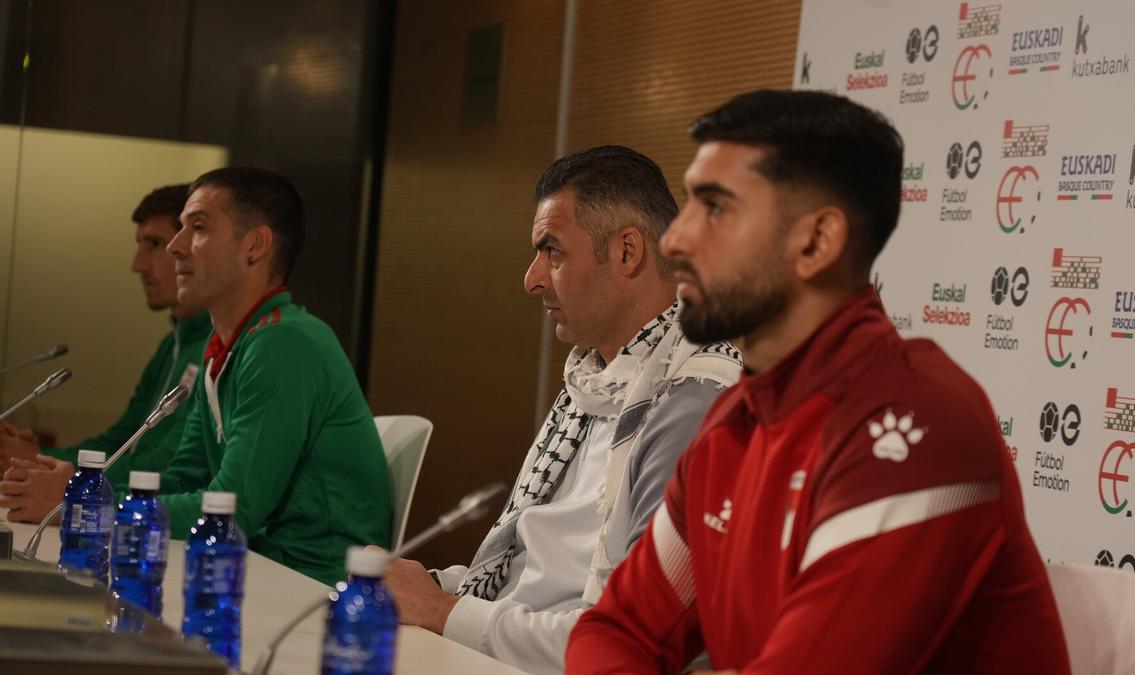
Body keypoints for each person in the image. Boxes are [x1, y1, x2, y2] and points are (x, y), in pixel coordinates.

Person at [565, 91, 1070, 674]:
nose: (675, 240)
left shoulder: (918, 424)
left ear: (816, 242)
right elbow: (613, 628)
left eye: (715, 207)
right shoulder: (733, 423)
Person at [381, 146, 741, 675]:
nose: (531, 279)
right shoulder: (596, 379)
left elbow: (634, 641)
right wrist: (433, 589)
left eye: (552, 251)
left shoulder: (694, 399)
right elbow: (531, 577)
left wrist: (442, 610)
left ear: (626, 252)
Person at [158, 166, 391, 585]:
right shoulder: (224, 348)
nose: (175, 247)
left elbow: (233, 509)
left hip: (312, 586)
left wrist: (96, 504)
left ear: (255, 246)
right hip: (255, 568)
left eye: (197, 227)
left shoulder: (283, 343)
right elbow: (184, 478)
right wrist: (84, 487)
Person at [0, 184, 210, 522]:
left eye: (153, 244)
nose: (137, 265)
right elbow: (122, 440)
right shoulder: (172, 345)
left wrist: (49, 465)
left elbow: (168, 464)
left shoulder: (213, 345)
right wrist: (40, 460)